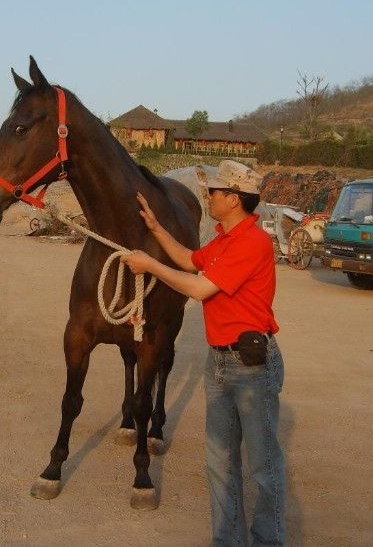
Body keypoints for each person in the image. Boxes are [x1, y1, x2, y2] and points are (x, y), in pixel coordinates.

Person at [121, 160, 285, 547]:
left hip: (251, 368)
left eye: (213, 191)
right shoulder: (223, 241)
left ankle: (268, 541)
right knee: (221, 465)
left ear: (233, 198)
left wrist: (148, 265)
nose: (207, 196)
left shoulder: (252, 242)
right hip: (221, 365)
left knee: (262, 467)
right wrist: (157, 230)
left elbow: (198, 288)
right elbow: (189, 261)